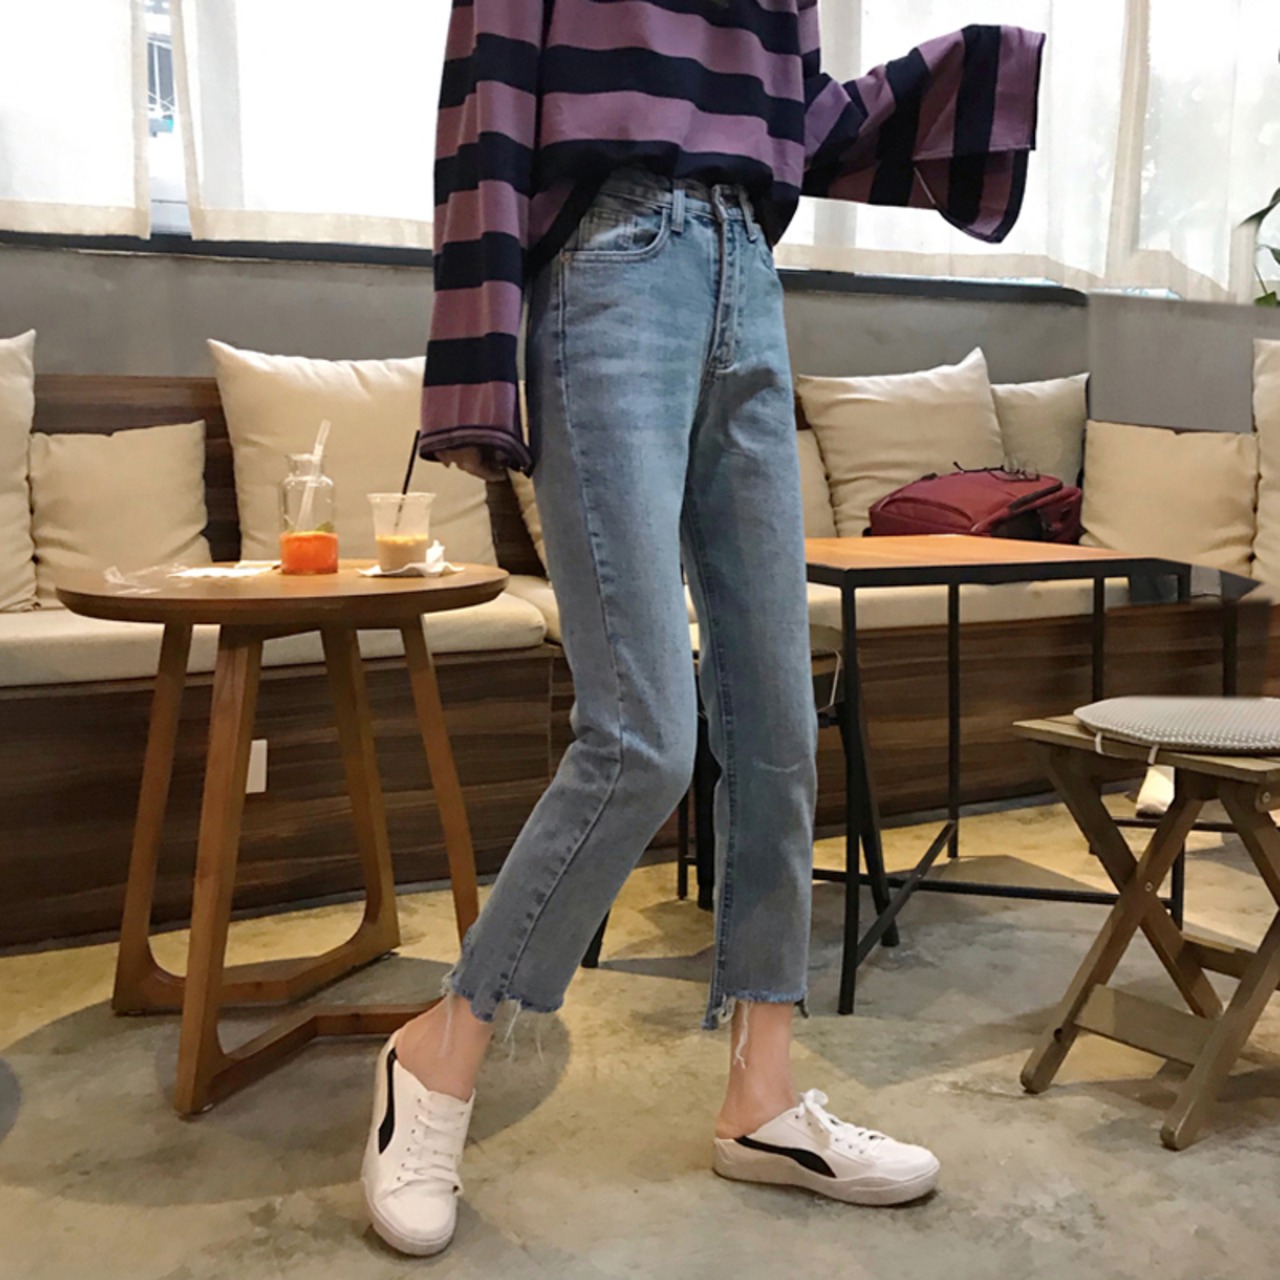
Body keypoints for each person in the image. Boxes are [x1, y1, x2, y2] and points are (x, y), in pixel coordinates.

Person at [363, 0, 1044, 1256]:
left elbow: (787, 115)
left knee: (778, 723)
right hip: (606, 265)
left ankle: (760, 1095)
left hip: (748, 276)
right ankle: (439, 1047)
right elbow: (487, 94)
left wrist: (965, 76)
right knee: (641, 734)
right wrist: (473, 363)